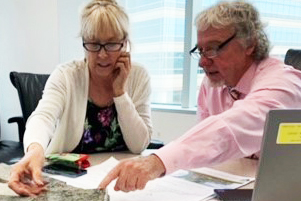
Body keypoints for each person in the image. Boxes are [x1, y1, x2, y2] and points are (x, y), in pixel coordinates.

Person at [99, 1, 301, 192]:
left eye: (213, 49)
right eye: (200, 51)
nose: (202, 63)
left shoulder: (284, 83)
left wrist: (157, 162)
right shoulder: (212, 85)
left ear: (250, 44)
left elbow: (231, 127)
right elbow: (207, 150)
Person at [8, 0, 152, 196]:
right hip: (70, 181)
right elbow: (43, 116)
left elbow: (139, 145)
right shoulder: (66, 75)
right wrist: (35, 151)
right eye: (93, 43)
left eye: (111, 44)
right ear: (84, 42)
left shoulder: (139, 76)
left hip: (122, 185)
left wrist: (120, 93)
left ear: (124, 43)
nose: (102, 55)